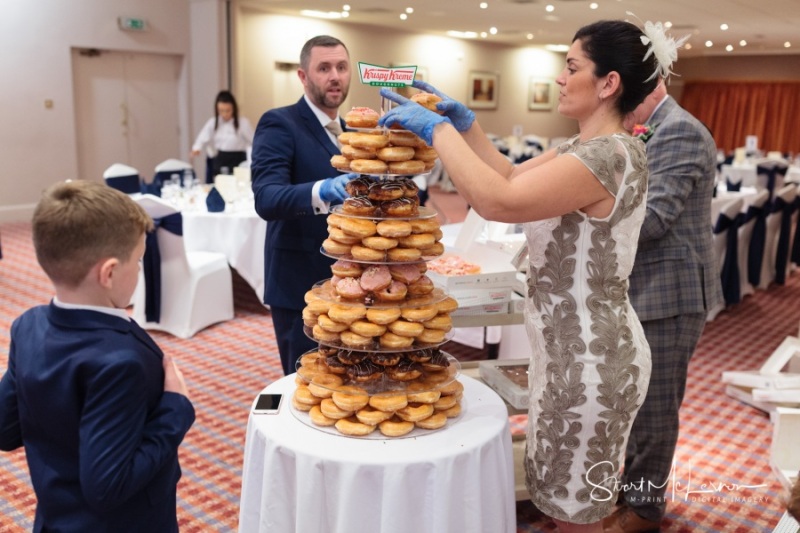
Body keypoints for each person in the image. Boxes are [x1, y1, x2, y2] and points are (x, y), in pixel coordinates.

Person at [379, 18, 685, 533]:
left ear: (609, 83)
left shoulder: (610, 155)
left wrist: (438, 130)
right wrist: (469, 124)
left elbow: (498, 202)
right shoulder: (581, 150)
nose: (560, 78)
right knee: (559, 507)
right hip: (568, 357)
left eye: (571, 67)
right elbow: (512, 176)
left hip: (592, 363)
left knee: (575, 518)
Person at [0, 180, 195, 532]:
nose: (139, 271)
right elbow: (107, 486)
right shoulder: (120, 361)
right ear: (108, 273)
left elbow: (3, 429)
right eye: (137, 262)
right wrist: (175, 409)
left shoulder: (26, 326)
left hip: (56, 519)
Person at [604, 78, 723, 532]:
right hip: (640, 287)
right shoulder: (645, 125)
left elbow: (652, 220)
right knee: (630, 402)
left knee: (654, 408)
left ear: (655, 82)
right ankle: (629, 486)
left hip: (671, 291)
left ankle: (645, 508)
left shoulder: (680, 129)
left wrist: (581, 201)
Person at [250, 35, 356, 375]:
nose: (334, 76)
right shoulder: (280, 123)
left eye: (341, 67)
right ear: (303, 76)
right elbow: (267, 198)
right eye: (323, 68)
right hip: (300, 286)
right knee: (308, 385)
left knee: (350, 389)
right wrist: (323, 189)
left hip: (352, 284)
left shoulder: (354, 131)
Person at [191, 90, 255, 182]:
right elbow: (203, 136)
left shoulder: (243, 123)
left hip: (238, 160)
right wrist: (196, 148)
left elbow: (253, 140)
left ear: (234, 108)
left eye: (228, 110)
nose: (225, 114)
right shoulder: (213, 122)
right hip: (221, 159)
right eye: (221, 111)